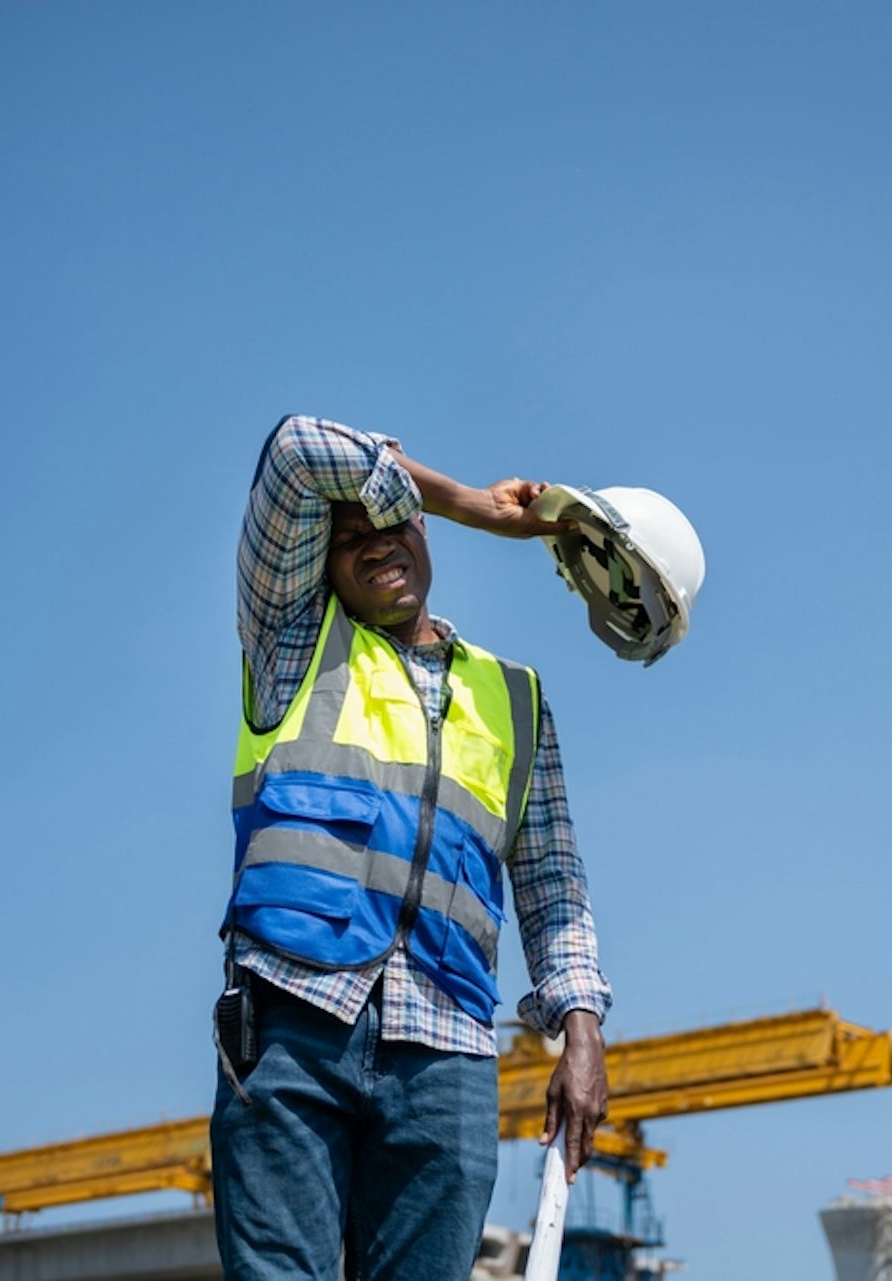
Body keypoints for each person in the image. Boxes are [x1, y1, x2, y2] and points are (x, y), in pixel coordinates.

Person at [212, 415, 614, 1281]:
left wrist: (581, 1026)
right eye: (346, 535)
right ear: (317, 563)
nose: (371, 545)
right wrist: (471, 501)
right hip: (291, 1025)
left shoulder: (514, 697)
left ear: (418, 531)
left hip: (447, 1053)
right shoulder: (292, 642)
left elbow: (551, 880)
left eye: (388, 523)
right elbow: (294, 450)